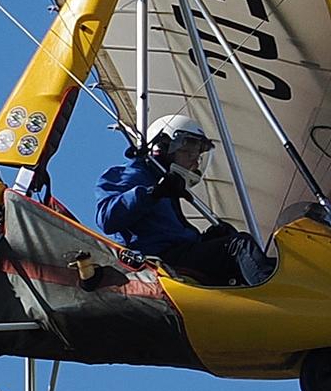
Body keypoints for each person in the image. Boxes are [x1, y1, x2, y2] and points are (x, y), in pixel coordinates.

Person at [95, 114, 258, 286]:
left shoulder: (169, 187)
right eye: (188, 150)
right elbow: (107, 219)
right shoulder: (131, 175)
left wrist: (206, 240)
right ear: (164, 145)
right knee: (239, 246)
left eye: (197, 155)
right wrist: (152, 194)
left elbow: (172, 233)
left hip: (178, 256)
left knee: (233, 253)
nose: (194, 161)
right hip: (156, 262)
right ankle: (276, 294)